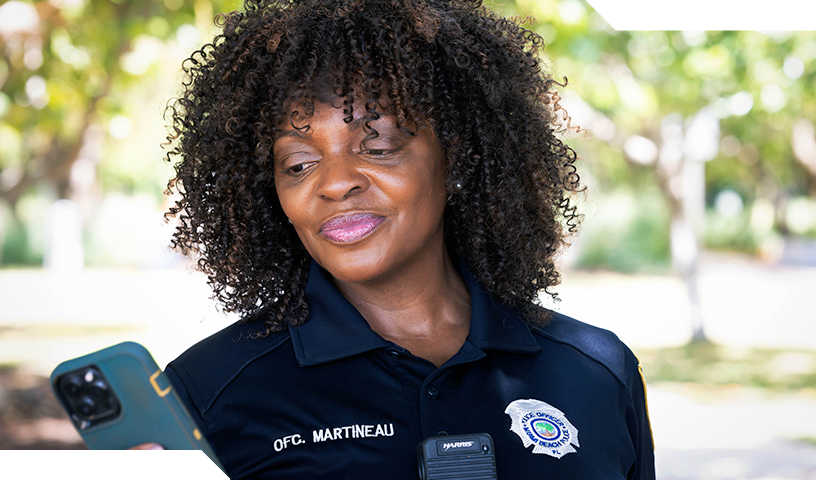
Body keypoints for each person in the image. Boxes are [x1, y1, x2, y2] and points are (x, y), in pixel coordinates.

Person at [149, 0, 655, 478]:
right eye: (298, 164)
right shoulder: (211, 392)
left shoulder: (597, 372)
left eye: (378, 146)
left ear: (455, 160)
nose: (334, 182)